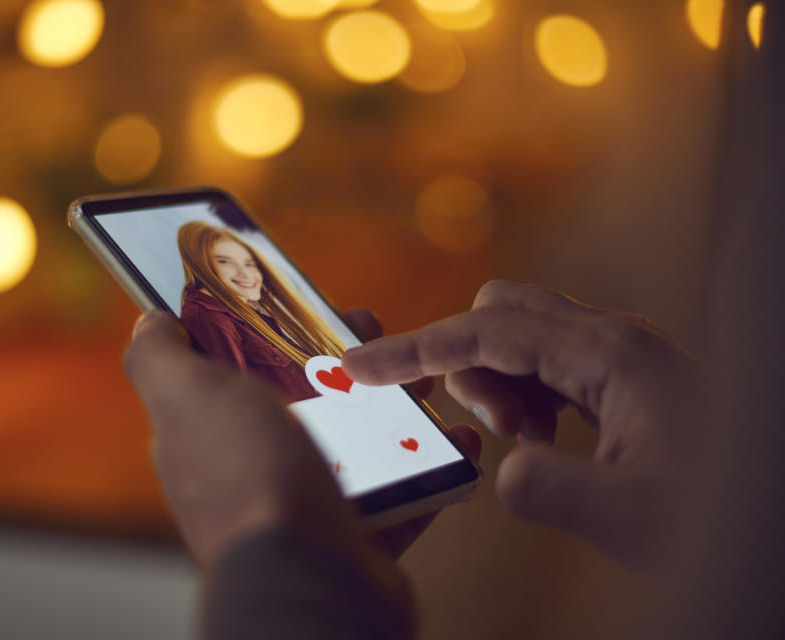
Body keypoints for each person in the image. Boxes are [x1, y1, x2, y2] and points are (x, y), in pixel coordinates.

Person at [123, 3, 783, 638]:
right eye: (228, 265)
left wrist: (267, 548)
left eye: (248, 261)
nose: (245, 274)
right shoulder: (224, 321)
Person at [177, 221, 346, 402]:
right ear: (200, 264)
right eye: (224, 261)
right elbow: (239, 402)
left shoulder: (251, 314)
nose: (246, 274)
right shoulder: (207, 318)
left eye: (250, 264)